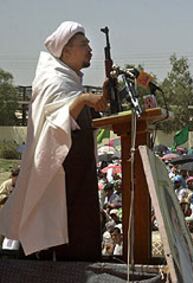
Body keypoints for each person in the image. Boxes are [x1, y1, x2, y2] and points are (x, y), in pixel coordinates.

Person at [0, 21, 108, 260]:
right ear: (66, 51)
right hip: (57, 181)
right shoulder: (53, 81)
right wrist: (84, 99)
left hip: (79, 179)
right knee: (55, 245)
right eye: (84, 44)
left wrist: (99, 101)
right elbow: (53, 125)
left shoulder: (72, 82)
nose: (90, 49)